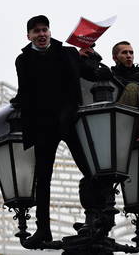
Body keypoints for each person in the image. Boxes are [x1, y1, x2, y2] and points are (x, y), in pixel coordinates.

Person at [9, 15, 101, 247]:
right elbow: (24, 91)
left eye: (44, 30)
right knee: (43, 180)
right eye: (36, 31)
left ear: (49, 31)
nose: (41, 34)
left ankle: (95, 218)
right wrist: (13, 107)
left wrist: (94, 59)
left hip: (69, 120)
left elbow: (89, 73)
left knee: (90, 168)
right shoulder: (23, 60)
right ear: (28, 36)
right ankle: (43, 230)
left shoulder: (68, 53)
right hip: (43, 125)